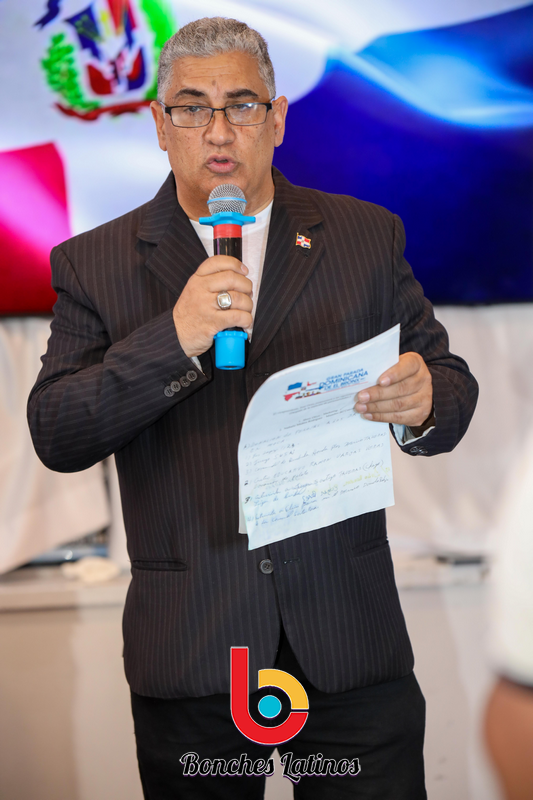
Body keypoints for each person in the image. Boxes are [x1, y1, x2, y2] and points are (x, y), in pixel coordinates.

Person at [28, 16, 478, 800]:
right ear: (158, 124)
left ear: (276, 118)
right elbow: (58, 431)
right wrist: (174, 338)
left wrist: (424, 399)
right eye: (191, 108)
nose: (217, 130)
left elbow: (448, 382)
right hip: (195, 645)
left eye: (240, 105)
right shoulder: (94, 262)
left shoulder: (363, 235)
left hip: (346, 641)